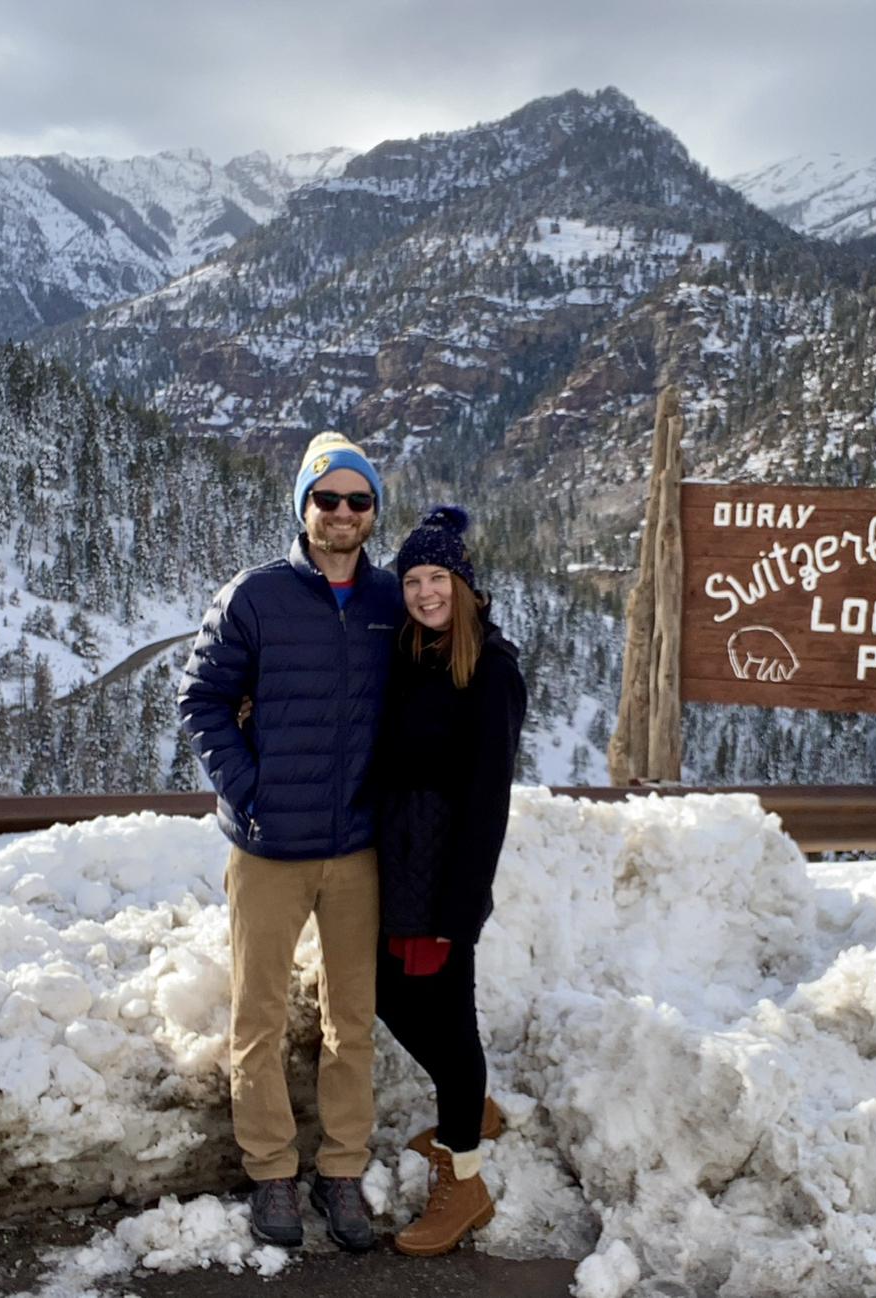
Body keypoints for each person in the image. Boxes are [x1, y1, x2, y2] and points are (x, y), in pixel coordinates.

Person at [176, 432, 403, 1253]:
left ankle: (341, 1172)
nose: (342, 514)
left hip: (357, 849)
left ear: (373, 512)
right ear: (303, 508)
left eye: (358, 500)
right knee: (258, 1017)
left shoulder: (390, 604)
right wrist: (248, 790)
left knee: (353, 1019)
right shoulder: (255, 597)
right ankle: (272, 1173)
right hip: (269, 850)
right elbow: (202, 698)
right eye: (327, 498)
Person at [371, 505, 528, 1257]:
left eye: (438, 578)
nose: (425, 592)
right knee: (387, 991)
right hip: (395, 858)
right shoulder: (412, 652)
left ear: (463, 584)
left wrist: (461, 906)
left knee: (448, 1013)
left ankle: (465, 1179)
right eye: (412, 580)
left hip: (443, 871)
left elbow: (488, 797)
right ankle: (472, 1104)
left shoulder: (489, 668)